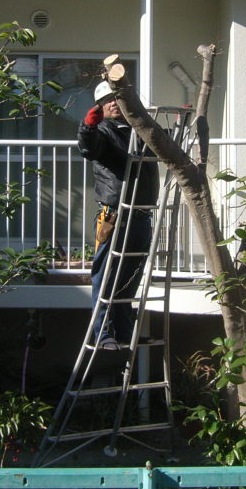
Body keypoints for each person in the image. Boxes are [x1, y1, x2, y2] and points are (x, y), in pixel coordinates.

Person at [78, 80, 158, 350]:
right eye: (107, 100)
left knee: (130, 276)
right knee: (106, 275)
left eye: (117, 98)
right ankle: (102, 334)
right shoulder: (103, 131)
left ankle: (124, 332)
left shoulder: (140, 130)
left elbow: (166, 146)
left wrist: (180, 124)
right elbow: (88, 148)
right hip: (115, 215)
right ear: (100, 107)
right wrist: (88, 126)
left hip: (142, 215)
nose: (113, 103)